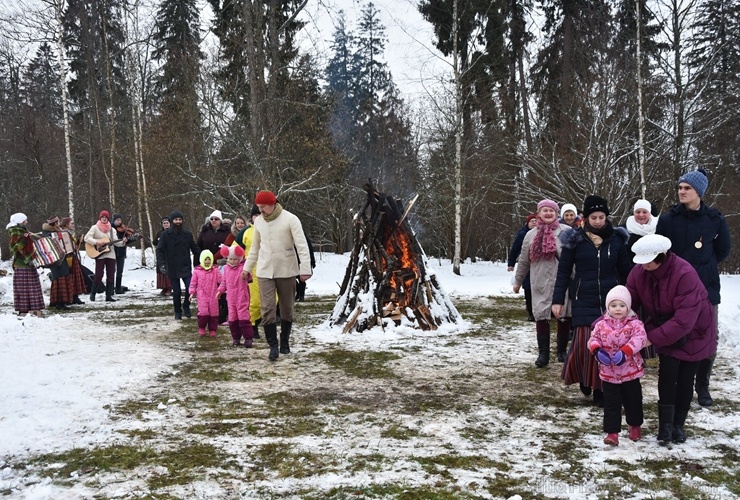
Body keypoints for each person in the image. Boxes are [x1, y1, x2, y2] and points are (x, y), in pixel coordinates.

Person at [626, 234, 717, 445]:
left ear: (661, 257)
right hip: (664, 326)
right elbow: (629, 300)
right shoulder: (640, 272)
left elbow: (684, 321)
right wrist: (618, 323)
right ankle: (665, 427)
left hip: (695, 331)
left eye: (647, 262)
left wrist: (650, 338)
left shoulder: (684, 273)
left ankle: (678, 425)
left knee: (685, 378)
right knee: (667, 375)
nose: (643, 266)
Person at [656, 169, 731, 408]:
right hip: (675, 288)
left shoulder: (714, 219)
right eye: (679, 188)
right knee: (678, 334)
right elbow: (660, 250)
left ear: (699, 192)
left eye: (686, 188)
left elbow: (723, 250)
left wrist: (703, 266)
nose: (681, 192)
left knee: (708, 337)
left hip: (706, 287)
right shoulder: (668, 219)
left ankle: (703, 386)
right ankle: (677, 382)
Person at [552, 195, 632, 407]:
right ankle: (585, 378)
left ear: (607, 217)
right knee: (585, 344)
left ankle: (600, 388)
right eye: (593, 217)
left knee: (608, 344)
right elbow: (563, 272)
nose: (598, 221)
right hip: (583, 296)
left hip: (610, 300)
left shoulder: (616, 239)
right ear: (585, 217)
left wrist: (634, 294)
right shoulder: (574, 239)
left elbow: (627, 270)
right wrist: (557, 300)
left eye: (601, 217)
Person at [242, 191, 312, 361]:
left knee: (287, 308)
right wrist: (247, 268)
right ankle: (273, 346)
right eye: (258, 208)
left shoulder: (290, 219)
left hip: (286, 269)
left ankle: (284, 342)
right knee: (267, 308)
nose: (261, 211)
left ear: (273, 203)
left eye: (263, 207)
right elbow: (255, 248)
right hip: (265, 270)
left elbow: (302, 245)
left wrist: (305, 269)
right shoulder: (259, 223)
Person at [513, 200, 572, 366]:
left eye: (551, 211)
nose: (548, 213)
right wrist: (518, 280)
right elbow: (524, 259)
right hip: (539, 280)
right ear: (538, 213)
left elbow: (575, 257)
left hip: (563, 280)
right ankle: (543, 354)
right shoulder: (530, 235)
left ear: (556, 213)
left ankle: (561, 351)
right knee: (541, 314)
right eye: (544, 210)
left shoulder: (566, 231)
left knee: (564, 314)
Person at [588, 285, 648, 445]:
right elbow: (593, 339)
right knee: (611, 404)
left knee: (633, 400)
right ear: (608, 307)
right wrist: (597, 350)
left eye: (622, 305)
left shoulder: (635, 324)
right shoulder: (601, 325)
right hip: (609, 373)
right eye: (614, 306)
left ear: (628, 307)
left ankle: (635, 426)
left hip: (630, 371)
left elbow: (640, 339)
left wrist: (627, 351)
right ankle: (612, 432)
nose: (618, 309)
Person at [156, 210, 201, 320]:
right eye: (176, 220)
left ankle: (186, 306)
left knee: (190, 288)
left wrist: (203, 260)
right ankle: (177, 311)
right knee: (176, 291)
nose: (178, 222)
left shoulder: (187, 234)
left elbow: (195, 249)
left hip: (185, 265)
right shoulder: (165, 235)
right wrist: (162, 265)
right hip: (172, 267)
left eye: (180, 219)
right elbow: (160, 250)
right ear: (172, 221)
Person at [84, 210, 129, 302]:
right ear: (100, 218)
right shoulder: (95, 227)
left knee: (111, 274)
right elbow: (87, 238)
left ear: (108, 218)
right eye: (102, 217)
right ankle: (93, 293)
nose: (104, 218)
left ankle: (108, 295)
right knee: (99, 274)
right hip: (100, 254)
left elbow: (116, 243)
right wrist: (97, 242)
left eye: (106, 217)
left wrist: (123, 242)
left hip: (111, 254)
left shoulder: (112, 230)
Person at [198, 210, 233, 324]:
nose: (213, 221)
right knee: (210, 288)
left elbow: (229, 246)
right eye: (212, 219)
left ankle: (224, 311)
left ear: (220, 220)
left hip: (222, 263)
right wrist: (198, 263)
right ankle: (211, 311)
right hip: (207, 264)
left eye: (216, 219)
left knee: (223, 287)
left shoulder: (227, 231)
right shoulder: (205, 231)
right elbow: (198, 247)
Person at [7, 213, 44, 317]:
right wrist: (24, 238)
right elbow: (14, 249)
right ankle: (23, 310)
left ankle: (35, 308)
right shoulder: (15, 232)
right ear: (20, 222)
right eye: (25, 221)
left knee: (33, 287)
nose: (27, 222)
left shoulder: (24, 231)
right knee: (23, 289)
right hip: (21, 264)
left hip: (29, 263)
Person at [218, 245, 254, 347]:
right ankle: (236, 338)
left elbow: (250, 277)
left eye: (235, 259)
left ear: (239, 259)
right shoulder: (226, 269)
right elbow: (224, 282)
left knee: (243, 318)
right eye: (230, 259)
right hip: (231, 299)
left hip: (242, 297)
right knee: (232, 319)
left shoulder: (243, 268)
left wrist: (247, 274)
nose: (232, 261)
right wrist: (220, 290)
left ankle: (248, 338)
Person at [508, 213, 537, 321]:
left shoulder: (543, 232)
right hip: (526, 263)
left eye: (536, 221)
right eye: (532, 221)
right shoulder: (522, 234)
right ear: (527, 223)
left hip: (538, 265)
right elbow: (515, 248)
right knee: (528, 288)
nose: (534, 223)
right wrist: (511, 263)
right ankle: (531, 312)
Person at [188, 250, 221, 337]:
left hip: (213, 295)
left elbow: (221, 280)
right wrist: (191, 293)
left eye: (209, 259)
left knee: (214, 313)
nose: (207, 262)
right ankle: (202, 327)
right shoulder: (197, 271)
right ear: (202, 260)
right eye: (205, 259)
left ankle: (212, 329)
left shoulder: (215, 270)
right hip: (202, 295)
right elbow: (193, 283)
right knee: (203, 313)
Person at [41, 216, 72, 310]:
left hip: (60, 258)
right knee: (59, 279)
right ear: (55, 223)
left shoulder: (57, 231)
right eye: (58, 222)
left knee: (59, 278)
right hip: (55, 259)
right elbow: (49, 245)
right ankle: (60, 302)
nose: (59, 223)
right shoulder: (49, 234)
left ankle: (57, 301)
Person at [58, 217, 87, 305]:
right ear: (66, 225)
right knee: (71, 277)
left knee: (75, 277)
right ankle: (71, 297)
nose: (73, 225)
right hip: (68, 259)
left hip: (73, 257)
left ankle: (75, 297)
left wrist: (78, 242)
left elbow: (74, 247)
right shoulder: (64, 233)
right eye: (72, 223)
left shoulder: (70, 233)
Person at [112, 213, 137, 295]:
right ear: (114, 220)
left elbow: (127, 241)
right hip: (112, 251)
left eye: (120, 220)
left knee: (120, 271)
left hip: (121, 252)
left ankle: (118, 288)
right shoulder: (111, 229)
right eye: (117, 220)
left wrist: (131, 239)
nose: (119, 222)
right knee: (111, 271)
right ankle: (111, 287)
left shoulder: (124, 229)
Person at [154, 217, 173, 296]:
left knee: (169, 271)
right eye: (164, 223)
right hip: (161, 255)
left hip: (170, 255)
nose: (166, 224)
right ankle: (163, 287)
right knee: (161, 271)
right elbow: (154, 242)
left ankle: (169, 288)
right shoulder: (159, 233)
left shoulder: (172, 232)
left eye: (167, 223)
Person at [295, 233, 316, 302]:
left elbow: (310, 250)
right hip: (294, 261)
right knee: (292, 279)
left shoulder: (304, 240)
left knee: (301, 280)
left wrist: (312, 262)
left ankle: (301, 295)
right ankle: (298, 294)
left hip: (302, 262)